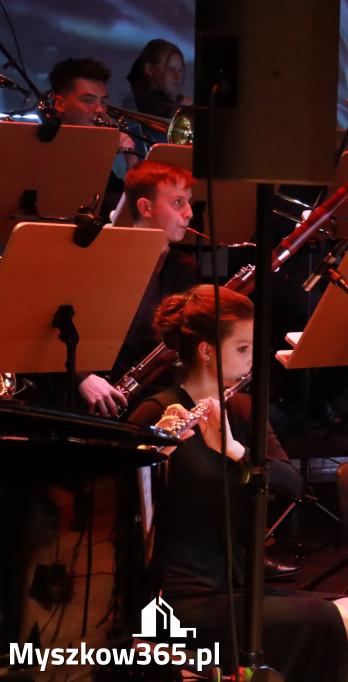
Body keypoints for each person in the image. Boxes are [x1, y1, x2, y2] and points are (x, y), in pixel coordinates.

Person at [129, 285, 348, 682]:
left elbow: (291, 484)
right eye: (243, 348)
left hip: (242, 584)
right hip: (183, 598)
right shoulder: (157, 413)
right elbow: (121, 511)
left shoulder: (243, 411)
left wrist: (234, 450)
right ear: (207, 351)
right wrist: (154, 455)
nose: (252, 360)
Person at [76, 160, 200, 416]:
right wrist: (83, 378)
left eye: (188, 202)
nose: (189, 212)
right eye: (178, 202)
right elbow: (52, 332)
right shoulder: (99, 260)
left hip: (161, 395)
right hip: (101, 396)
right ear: (145, 207)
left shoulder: (185, 268)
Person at [47, 57, 138, 212]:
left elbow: (129, 207)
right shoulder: (44, 148)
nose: (99, 110)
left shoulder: (92, 147)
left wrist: (131, 159)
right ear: (60, 104)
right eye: (88, 101)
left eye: (103, 102)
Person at [127, 39, 192, 120]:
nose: (178, 76)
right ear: (149, 69)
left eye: (180, 70)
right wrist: (179, 112)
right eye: (170, 70)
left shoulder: (177, 99)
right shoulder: (139, 104)